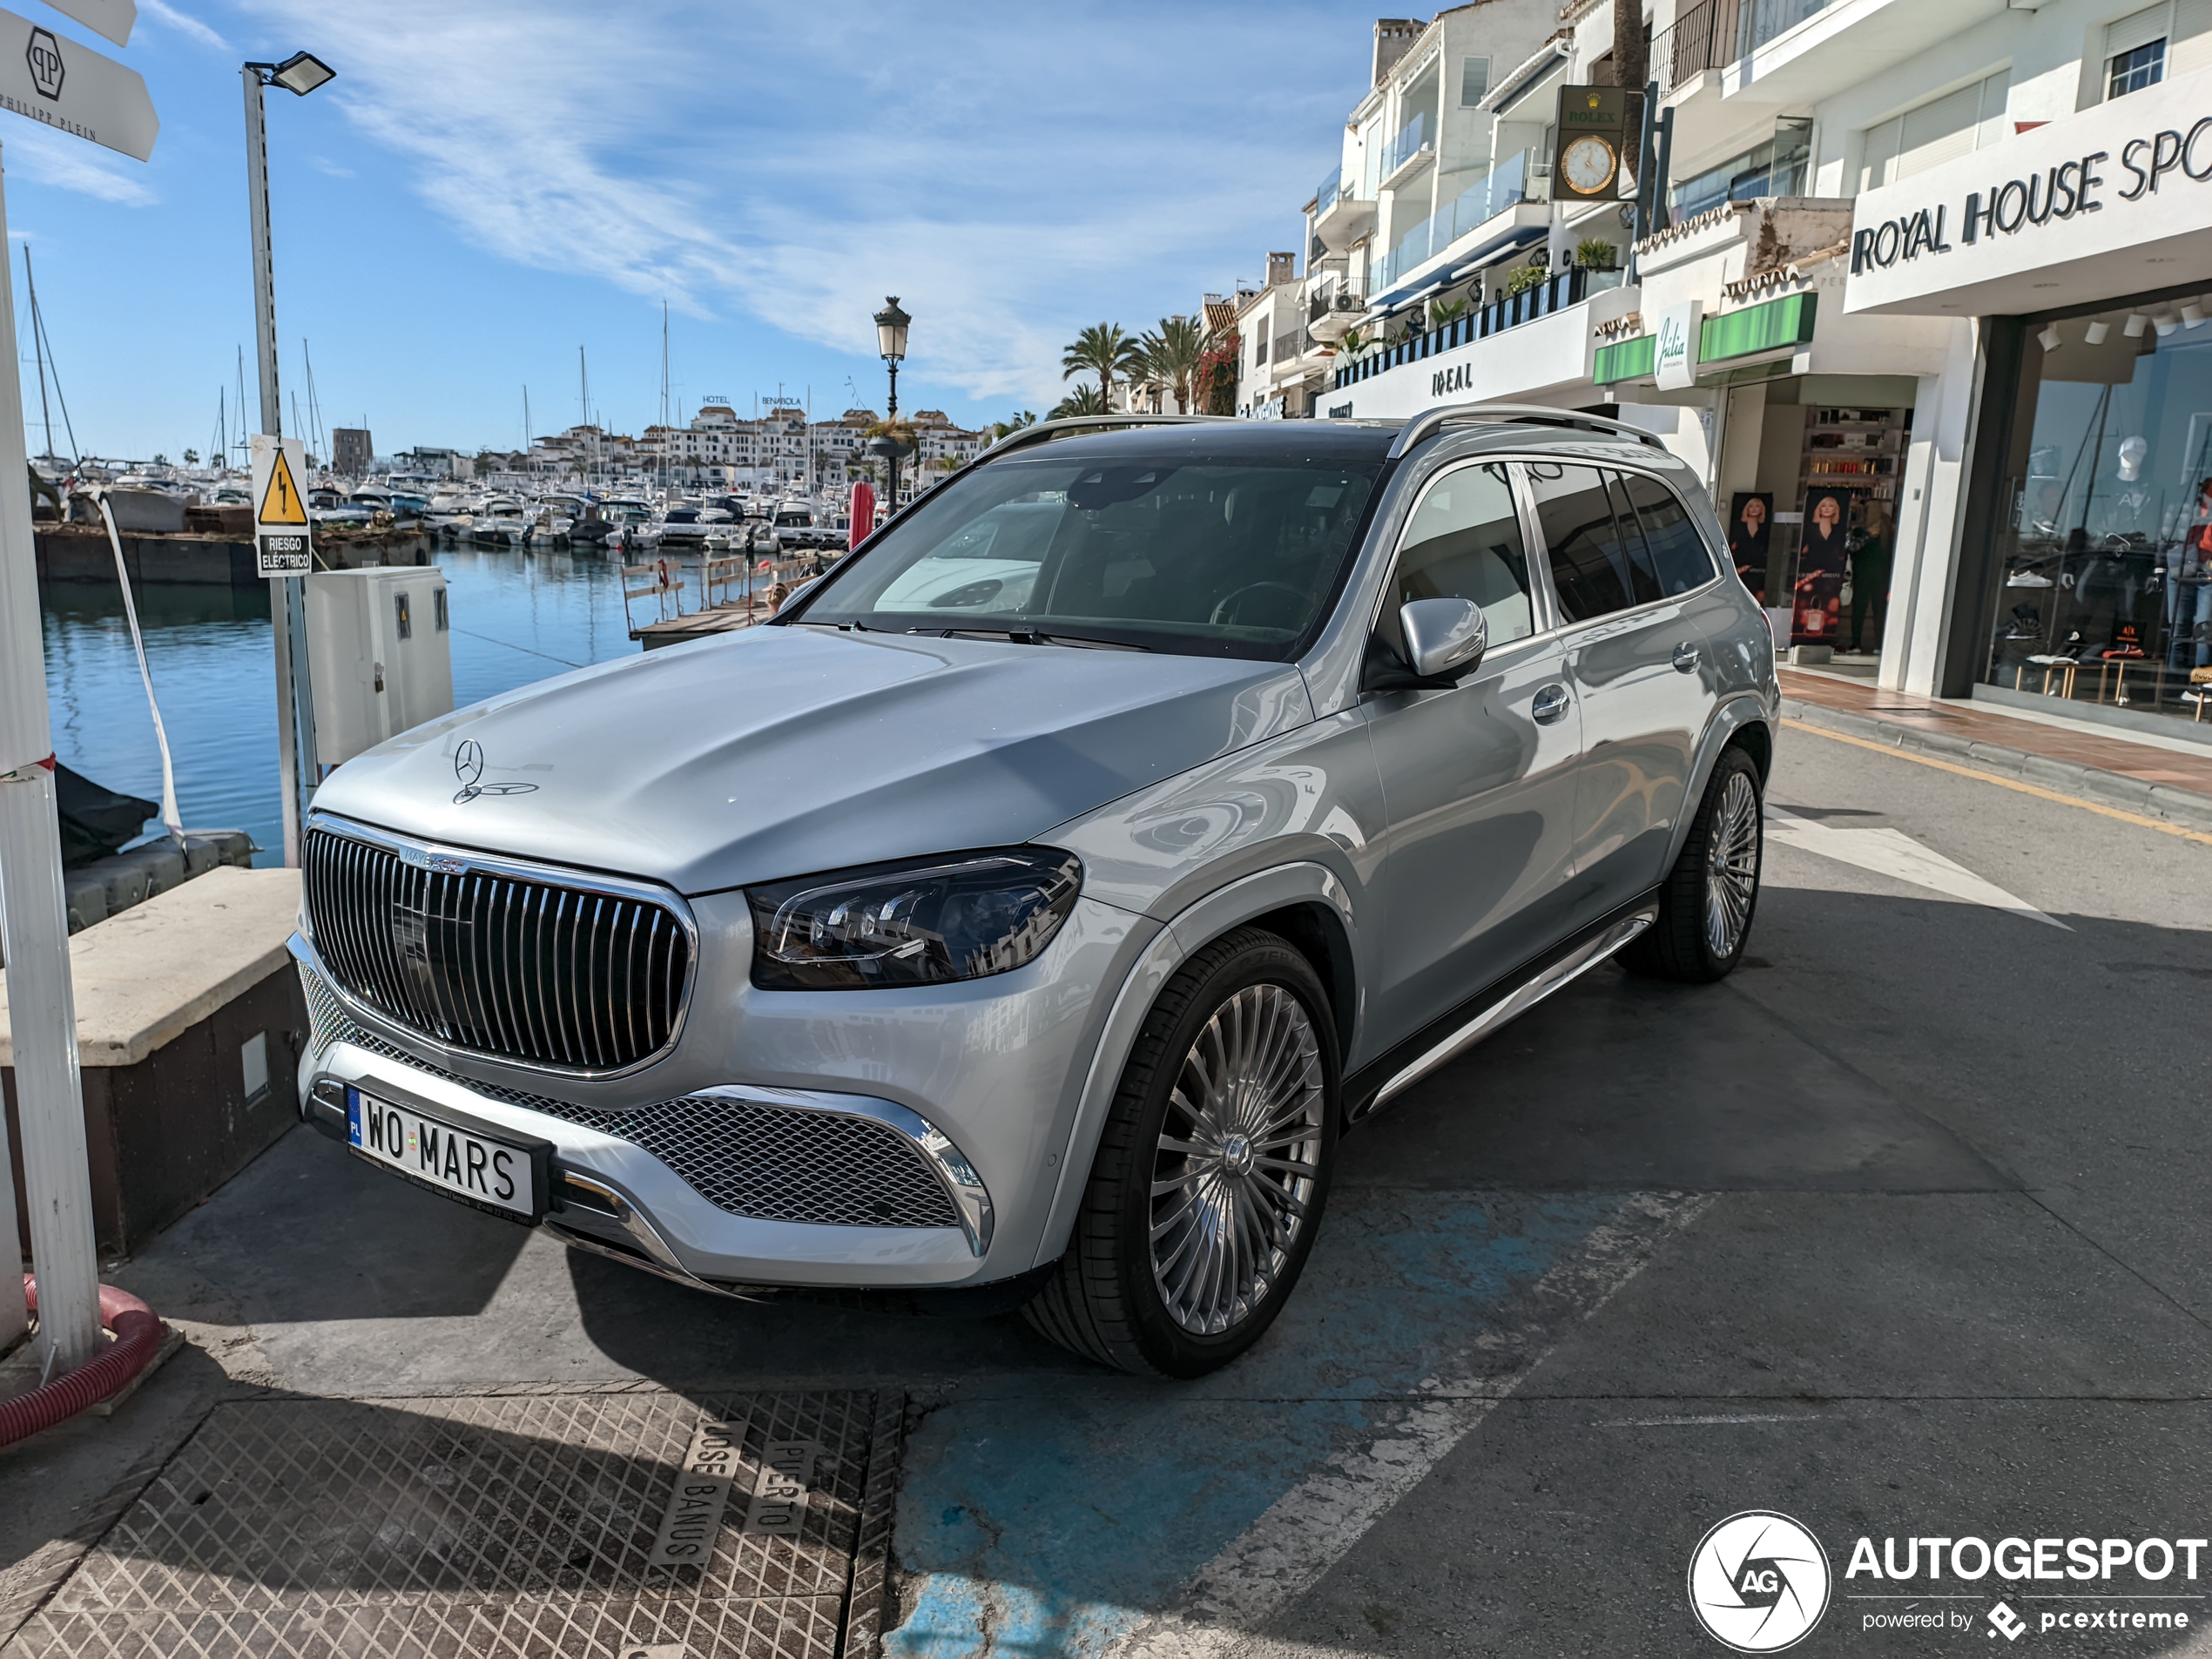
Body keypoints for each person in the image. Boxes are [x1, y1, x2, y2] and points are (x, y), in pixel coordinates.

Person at [1793, 489, 1850, 644]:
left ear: (1836, 510)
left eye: (1830, 506)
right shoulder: (1810, 528)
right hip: (1810, 571)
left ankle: (1826, 636)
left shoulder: (1839, 530)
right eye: (1823, 505)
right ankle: (1803, 635)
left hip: (1831, 574)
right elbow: (1803, 550)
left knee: (1827, 602)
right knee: (1806, 602)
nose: (1826, 508)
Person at [1844, 503, 1892, 654]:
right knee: (1867, 610)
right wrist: (1869, 535)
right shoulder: (1861, 532)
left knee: (1872, 611)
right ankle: (1863, 643)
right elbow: (1850, 547)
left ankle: (1872, 644)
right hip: (1871, 576)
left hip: (1873, 576)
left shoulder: (1884, 532)